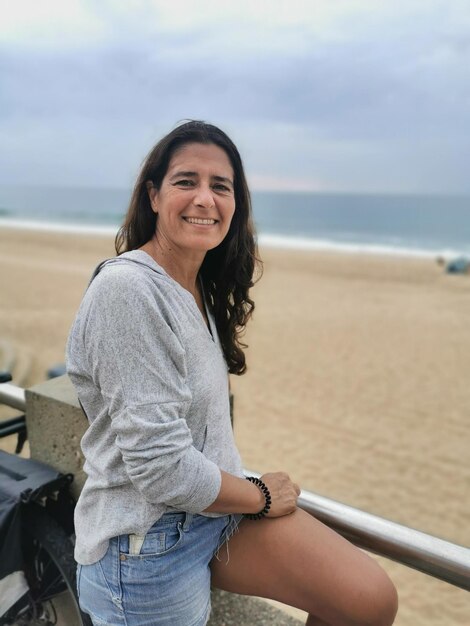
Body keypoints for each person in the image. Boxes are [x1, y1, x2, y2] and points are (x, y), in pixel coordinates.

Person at [66, 120, 398, 626]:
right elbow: (159, 466)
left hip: (210, 514)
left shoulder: (195, 290)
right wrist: (261, 495)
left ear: (235, 204)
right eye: (186, 182)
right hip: (146, 545)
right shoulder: (128, 292)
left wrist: (242, 495)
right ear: (153, 196)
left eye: (220, 186)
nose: (205, 198)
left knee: (365, 598)